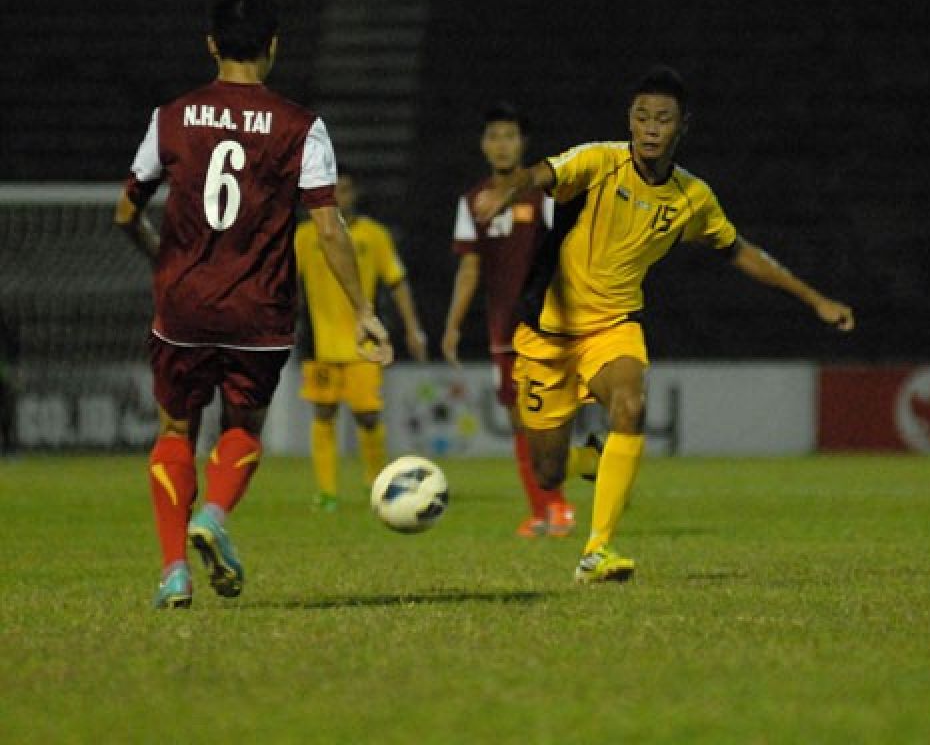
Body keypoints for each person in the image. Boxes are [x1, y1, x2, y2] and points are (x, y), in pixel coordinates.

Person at [473, 66, 855, 582]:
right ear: (629, 121)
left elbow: (739, 251)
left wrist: (815, 299)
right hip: (546, 333)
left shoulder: (691, 198)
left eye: (663, 119)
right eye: (642, 117)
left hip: (613, 326)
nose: (650, 127)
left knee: (630, 406)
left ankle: (597, 550)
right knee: (549, 470)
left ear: (682, 126)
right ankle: (590, 463)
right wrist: (509, 190)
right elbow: (541, 173)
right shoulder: (600, 161)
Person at [115, 0, 392, 609]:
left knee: (175, 427)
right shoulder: (301, 126)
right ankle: (213, 512)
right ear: (273, 46)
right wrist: (364, 311)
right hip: (259, 312)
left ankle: (172, 573)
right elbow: (327, 227)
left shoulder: (171, 118)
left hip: (183, 304)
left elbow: (124, 213)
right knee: (242, 426)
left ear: (212, 44)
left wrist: (162, 259)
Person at [443, 103, 598, 538]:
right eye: (493, 136)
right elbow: (470, 267)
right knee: (519, 421)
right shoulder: (472, 201)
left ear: (523, 143)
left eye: (509, 136)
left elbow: (568, 254)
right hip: (502, 327)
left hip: (546, 323)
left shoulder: (542, 195)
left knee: (545, 418)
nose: (501, 144)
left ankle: (560, 505)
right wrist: (453, 325)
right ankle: (541, 510)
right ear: (482, 144)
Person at [296, 169, 428, 511]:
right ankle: (326, 492)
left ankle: (377, 486)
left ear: (354, 194)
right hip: (319, 341)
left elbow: (397, 283)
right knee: (323, 414)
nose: (339, 195)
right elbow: (285, 286)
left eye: (345, 189)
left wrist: (413, 328)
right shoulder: (304, 236)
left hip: (363, 343)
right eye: (333, 190)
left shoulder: (374, 235)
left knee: (368, 416)